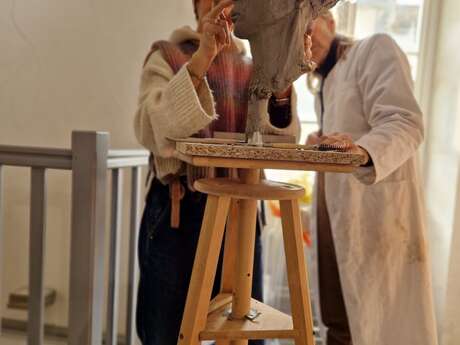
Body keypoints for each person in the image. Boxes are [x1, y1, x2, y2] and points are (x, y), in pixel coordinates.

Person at [133, 1, 305, 344]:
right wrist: (202, 59)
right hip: (179, 211)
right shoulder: (166, 56)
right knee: (166, 331)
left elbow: (281, 140)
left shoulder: (259, 62)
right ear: (198, 5)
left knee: (246, 331)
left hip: (241, 212)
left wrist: (283, 82)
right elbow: (155, 131)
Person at [305, 10, 438, 345]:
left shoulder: (375, 49)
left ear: (332, 23)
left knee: (378, 327)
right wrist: (322, 142)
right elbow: (349, 129)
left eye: (310, 23)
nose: (304, 36)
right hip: (337, 217)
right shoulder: (326, 81)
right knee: (338, 321)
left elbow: (405, 122)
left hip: (375, 218)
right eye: (297, 31)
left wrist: (362, 153)